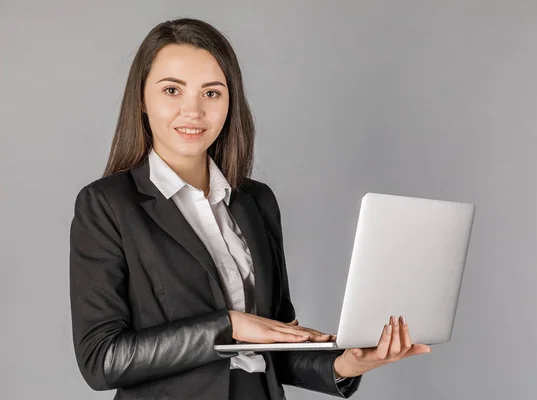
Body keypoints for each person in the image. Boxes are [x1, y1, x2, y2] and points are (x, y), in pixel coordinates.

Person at [69, 18, 431, 400]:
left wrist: (350, 363)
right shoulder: (107, 204)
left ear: (230, 102)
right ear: (142, 100)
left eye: (212, 93)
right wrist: (229, 326)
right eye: (172, 90)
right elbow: (102, 359)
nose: (192, 110)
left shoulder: (256, 201)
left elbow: (278, 343)